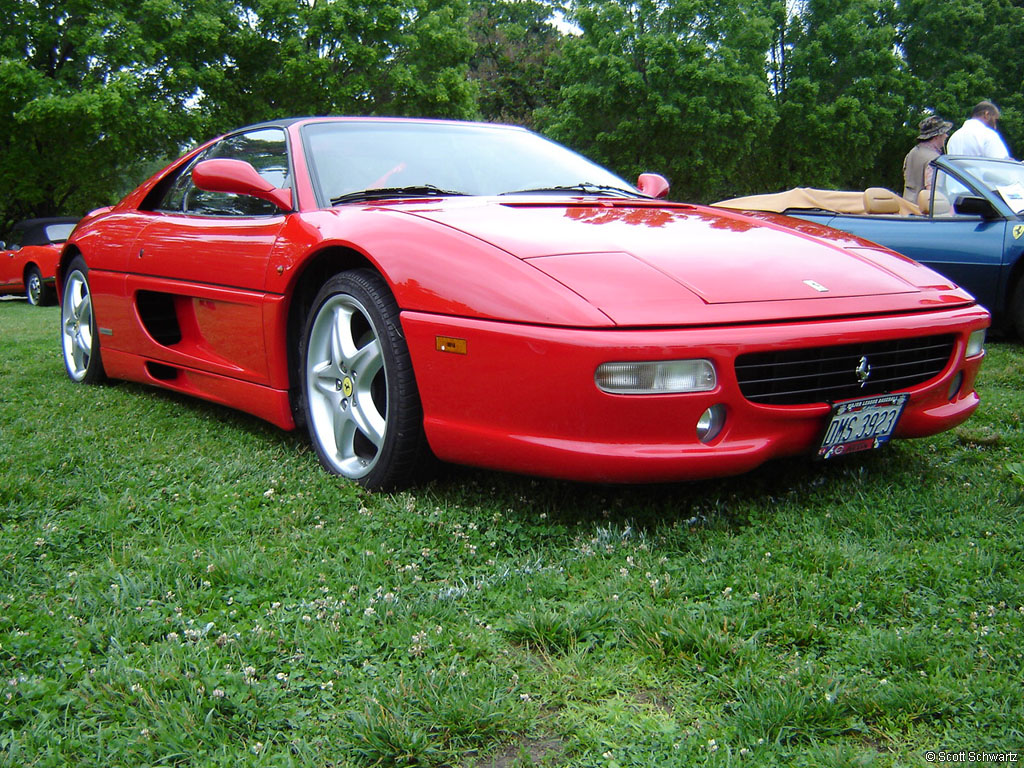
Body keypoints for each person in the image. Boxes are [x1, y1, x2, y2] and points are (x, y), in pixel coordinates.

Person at [903, 115, 951, 201]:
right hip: (923, 210)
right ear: (937, 136)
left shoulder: (912, 153)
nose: (946, 136)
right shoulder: (934, 160)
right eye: (944, 133)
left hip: (907, 207)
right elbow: (932, 193)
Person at [947, 101, 1012, 159]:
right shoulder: (988, 135)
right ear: (986, 114)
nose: (995, 126)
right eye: (995, 120)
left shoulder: (954, 137)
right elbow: (1001, 164)